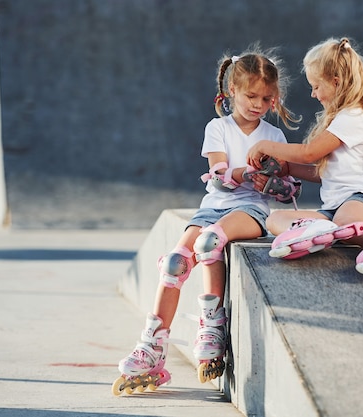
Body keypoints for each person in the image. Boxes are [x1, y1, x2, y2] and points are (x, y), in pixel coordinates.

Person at [112, 45, 301, 395]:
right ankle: (152, 346)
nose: (258, 104)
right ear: (232, 91)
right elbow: (216, 174)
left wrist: (275, 183)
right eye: (251, 95)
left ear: (274, 98)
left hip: (251, 211)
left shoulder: (274, 136)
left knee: (209, 242)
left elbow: (287, 186)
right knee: (174, 263)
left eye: (266, 97)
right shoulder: (218, 128)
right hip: (213, 206)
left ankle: (212, 326)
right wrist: (246, 173)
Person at [246, 37, 363, 276]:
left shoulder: (352, 116)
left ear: (336, 83)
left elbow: (309, 154)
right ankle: (313, 230)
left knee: (345, 221)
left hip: (362, 202)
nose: (313, 94)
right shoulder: (340, 118)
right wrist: (288, 169)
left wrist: (265, 145)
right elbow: (323, 173)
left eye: (316, 86)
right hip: (333, 209)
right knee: (275, 220)